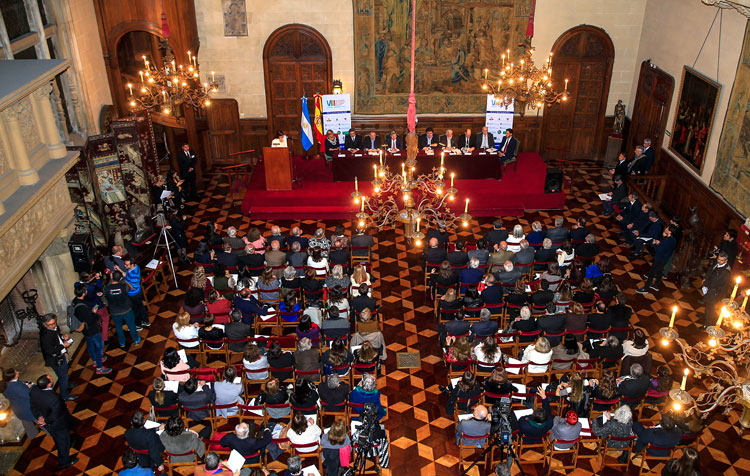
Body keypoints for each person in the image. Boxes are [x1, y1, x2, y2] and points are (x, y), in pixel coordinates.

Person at [71, 284, 111, 374]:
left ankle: (95, 360)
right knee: (99, 346)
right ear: (84, 293)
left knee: (90, 344)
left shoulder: (75, 301)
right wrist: (94, 313)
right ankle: (99, 367)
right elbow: (90, 319)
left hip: (86, 329)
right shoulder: (82, 307)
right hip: (92, 329)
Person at [38, 315, 77, 401]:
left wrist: (63, 337)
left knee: (64, 373)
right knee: (63, 376)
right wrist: (63, 345)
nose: (54, 325)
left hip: (60, 355)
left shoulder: (53, 328)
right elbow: (49, 350)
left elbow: (57, 336)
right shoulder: (45, 336)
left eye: (54, 323)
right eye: (50, 324)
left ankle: (66, 385)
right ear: (45, 325)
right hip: (55, 359)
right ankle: (65, 395)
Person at [104, 270, 141, 348]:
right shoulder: (124, 286)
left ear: (111, 277)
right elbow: (129, 287)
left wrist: (111, 280)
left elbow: (106, 291)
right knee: (131, 325)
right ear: (121, 278)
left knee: (118, 327)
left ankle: (122, 343)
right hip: (126, 310)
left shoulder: (106, 288)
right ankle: (136, 340)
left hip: (115, 312)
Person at [1, 368, 39, 438]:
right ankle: (51, 433)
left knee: (28, 426)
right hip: (28, 409)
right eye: (16, 372)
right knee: (41, 422)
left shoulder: (5, 385)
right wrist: (31, 387)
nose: (18, 372)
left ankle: (33, 437)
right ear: (13, 377)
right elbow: (30, 395)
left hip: (18, 410)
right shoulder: (19, 387)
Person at [703, 251, 731, 327]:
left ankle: (707, 325)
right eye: (718, 259)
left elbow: (715, 282)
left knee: (711, 309)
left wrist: (706, 285)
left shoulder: (725, 272)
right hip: (711, 290)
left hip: (715, 293)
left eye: (721, 260)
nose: (719, 261)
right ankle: (705, 317)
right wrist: (705, 279)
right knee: (708, 305)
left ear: (726, 261)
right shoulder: (717, 264)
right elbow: (710, 271)